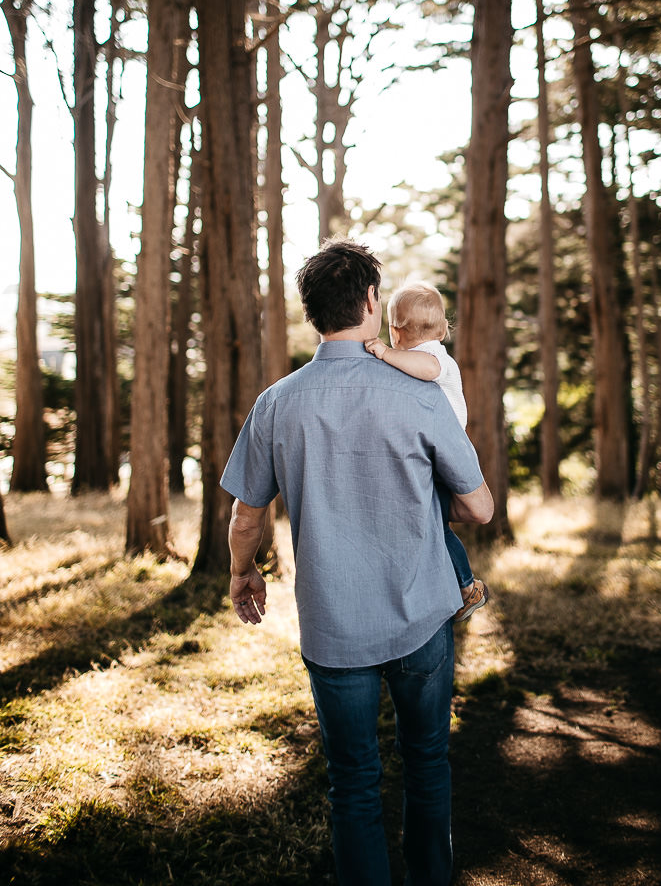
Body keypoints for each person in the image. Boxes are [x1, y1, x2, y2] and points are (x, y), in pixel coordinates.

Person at [221, 237, 494, 886]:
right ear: (372, 302)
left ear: (314, 312)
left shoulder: (277, 403)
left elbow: (247, 516)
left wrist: (242, 572)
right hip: (421, 617)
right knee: (427, 766)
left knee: (352, 783)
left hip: (333, 627)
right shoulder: (419, 389)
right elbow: (479, 508)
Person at [364, 280, 489, 623]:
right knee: (430, 522)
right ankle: (456, 585)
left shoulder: (434, 356)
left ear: (395, 331)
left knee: (434, 525)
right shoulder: (425, 354)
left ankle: (467, 587)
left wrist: (387, 354)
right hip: (439, 451)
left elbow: (429, 370)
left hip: (446, 453)